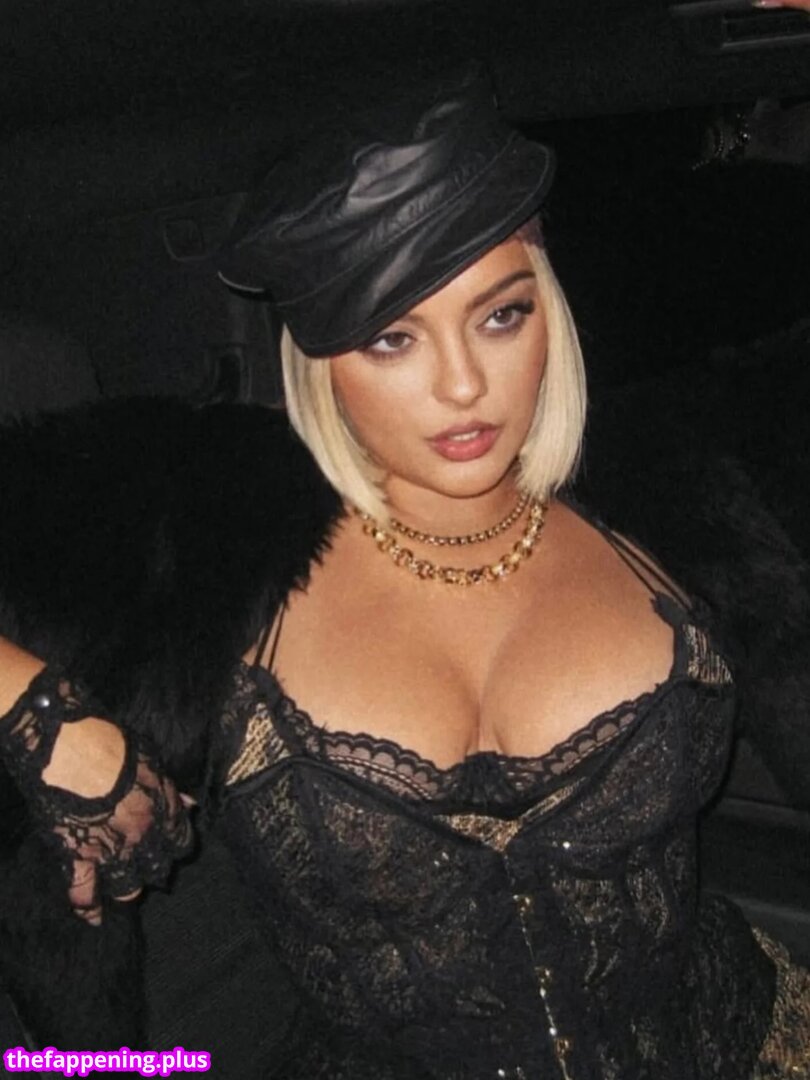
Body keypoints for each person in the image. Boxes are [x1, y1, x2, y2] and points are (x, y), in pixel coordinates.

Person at [1, 77, 809, 1078]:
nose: (463, 384)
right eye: (393, 337)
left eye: (501, 316)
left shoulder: (676, 486)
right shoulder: (203, 538)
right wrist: (42, 715)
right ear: (318, 360)